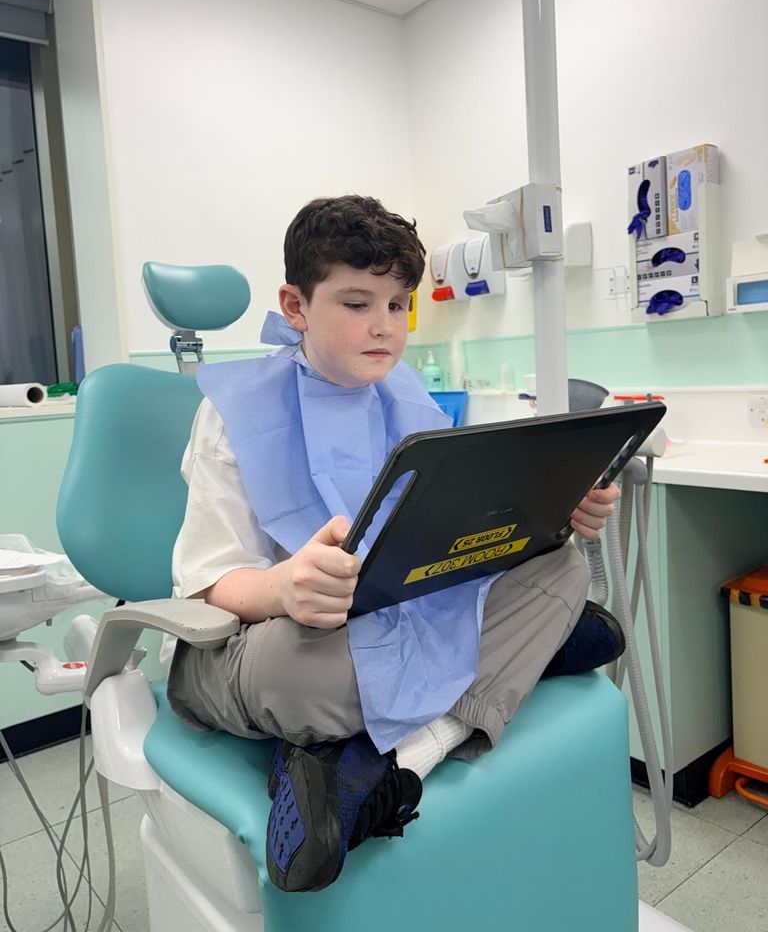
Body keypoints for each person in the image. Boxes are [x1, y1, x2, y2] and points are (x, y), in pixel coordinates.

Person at [166, 194, 623, 895]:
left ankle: (394, 759)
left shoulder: (404, 394)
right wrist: (283, 586)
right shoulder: (235, 413)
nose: (385, 327)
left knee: (560, 565)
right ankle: (523, 652)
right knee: (291, 670)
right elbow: (206, 583)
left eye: (398, 304)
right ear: (295, 305)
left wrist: (550, 511)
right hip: (266, 638)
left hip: (386, 618)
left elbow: (456, 539)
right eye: (356, 304)